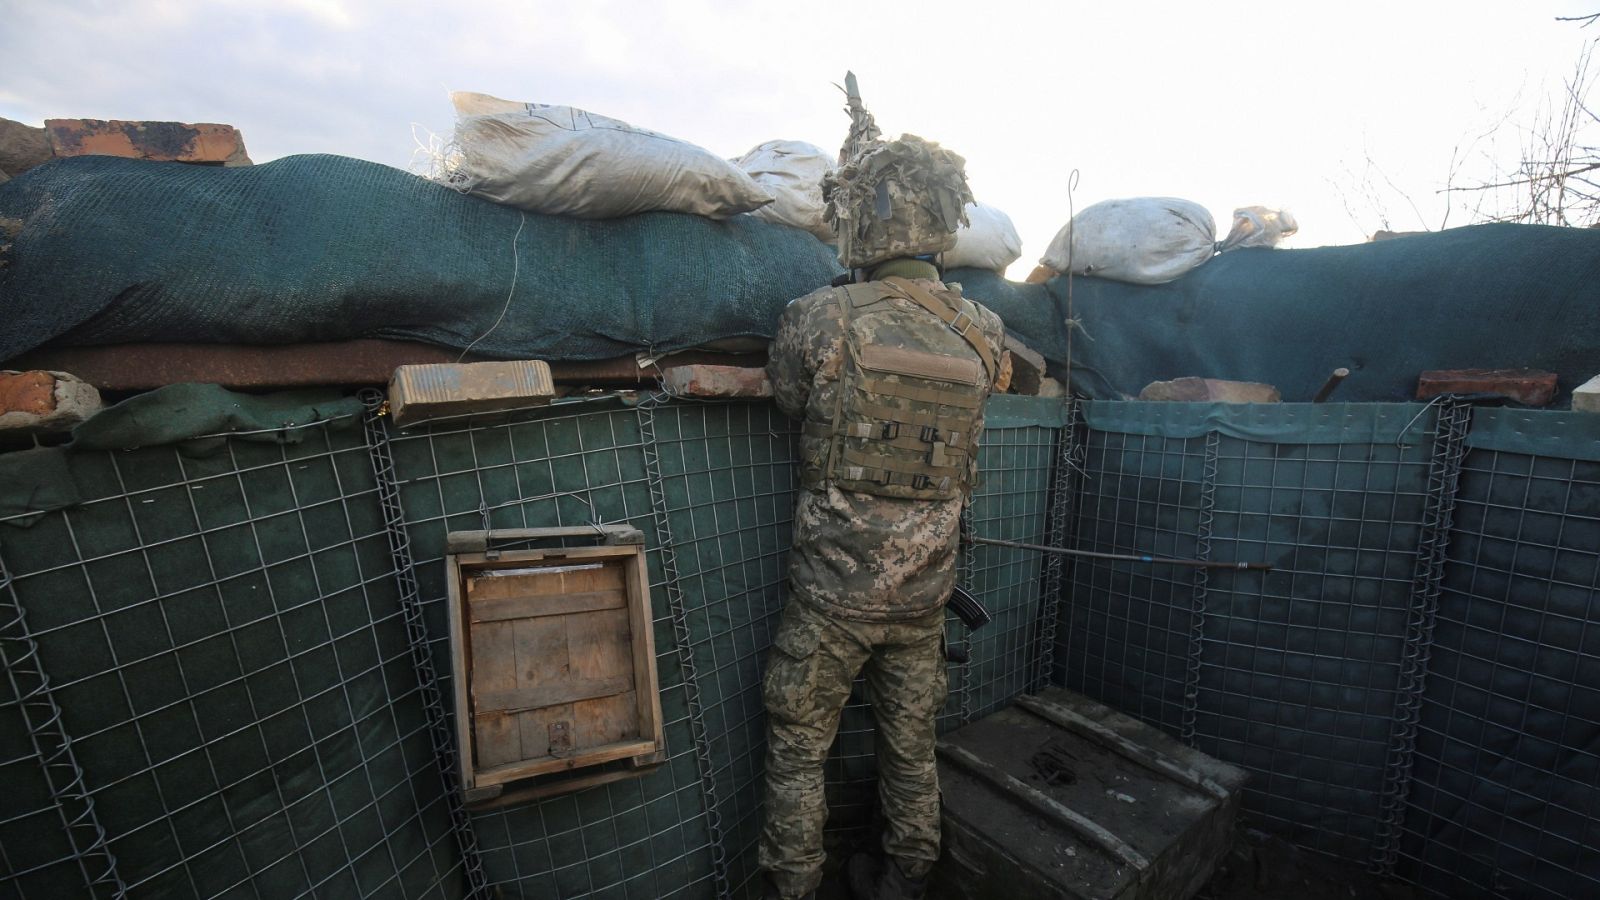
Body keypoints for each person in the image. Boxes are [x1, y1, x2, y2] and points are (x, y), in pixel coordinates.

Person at [759, 79, 1006, 900]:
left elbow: (793, 400)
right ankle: (908, 877)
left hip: (832, 597)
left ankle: (794, 887)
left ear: (858, 220)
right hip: (925, 596)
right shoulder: (983, 330)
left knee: (799, 746)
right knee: (911, 746)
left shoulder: (821, 318)